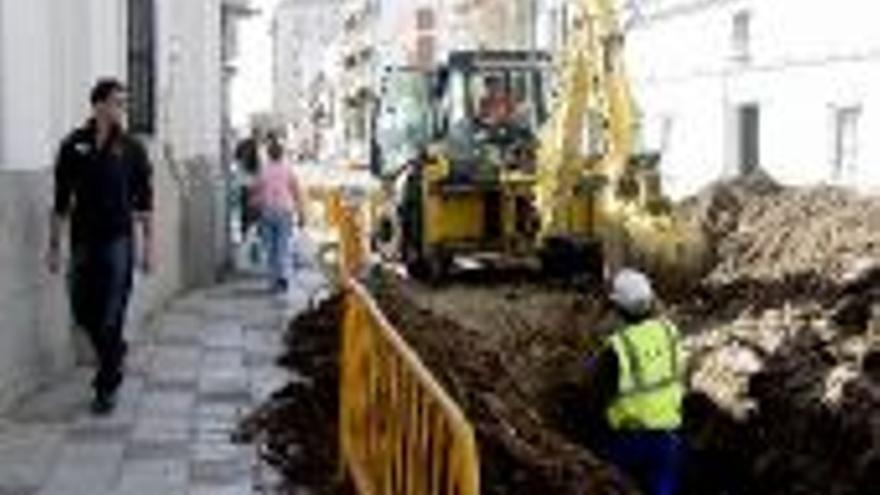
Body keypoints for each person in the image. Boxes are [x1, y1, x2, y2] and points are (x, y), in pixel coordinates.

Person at [47, 78, 153, 415]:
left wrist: (149, 246)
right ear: (98, 105)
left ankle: (106, 386)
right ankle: (114, 353)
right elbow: (61, 200)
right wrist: (53, 245)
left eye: (124, 102)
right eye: (117, 102)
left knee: (111, 314)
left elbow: (145, 200)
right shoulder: (73, 145)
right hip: (82, 240)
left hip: (118, 240)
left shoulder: (132, 148)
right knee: (81, 309)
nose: (122, 108)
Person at [586, 268, 685, 495]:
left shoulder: (618, 347)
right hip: (668, 438)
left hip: (627, 442)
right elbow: (682, 373)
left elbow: (598, 397)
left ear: (618, 307)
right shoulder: (670, 332)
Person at [251, 139, 306, 292]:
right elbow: (296, 192)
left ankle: (273, 281)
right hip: (285, 211)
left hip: (267, 211)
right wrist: (302, 213)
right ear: (281, 154)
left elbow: (256, 193)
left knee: (270, 248)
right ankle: (283, 277)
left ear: (268, 155)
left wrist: (255, 207)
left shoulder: (263, 171)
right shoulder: (288, 170)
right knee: (283, 246)